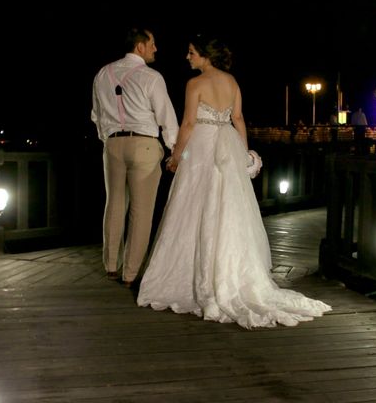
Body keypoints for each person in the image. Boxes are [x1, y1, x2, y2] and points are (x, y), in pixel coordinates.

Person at [137, 34, 331, 328]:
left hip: (202, 146)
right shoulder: (232, 82)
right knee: (228, 209)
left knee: (194, 206)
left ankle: (191, 275)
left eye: (191, 52)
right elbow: (238, 119)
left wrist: (176, 157)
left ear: (205, 55)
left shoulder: (195, 84)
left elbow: (188, 124)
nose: (187, 57)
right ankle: (231, 273)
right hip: (227, 144)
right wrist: (243, 154)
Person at [91, 27, 179, 287]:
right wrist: (175, 151)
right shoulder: (151, 77)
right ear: (140, 46)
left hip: (113, 145)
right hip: (144, 145)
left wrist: (107, 138)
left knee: (114, 205)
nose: (155, 48)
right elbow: (166, 118)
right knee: (141, 213)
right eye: (152, 43)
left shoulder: (102, 73)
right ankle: (130, 274)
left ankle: (110, 266)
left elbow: (96, 115)